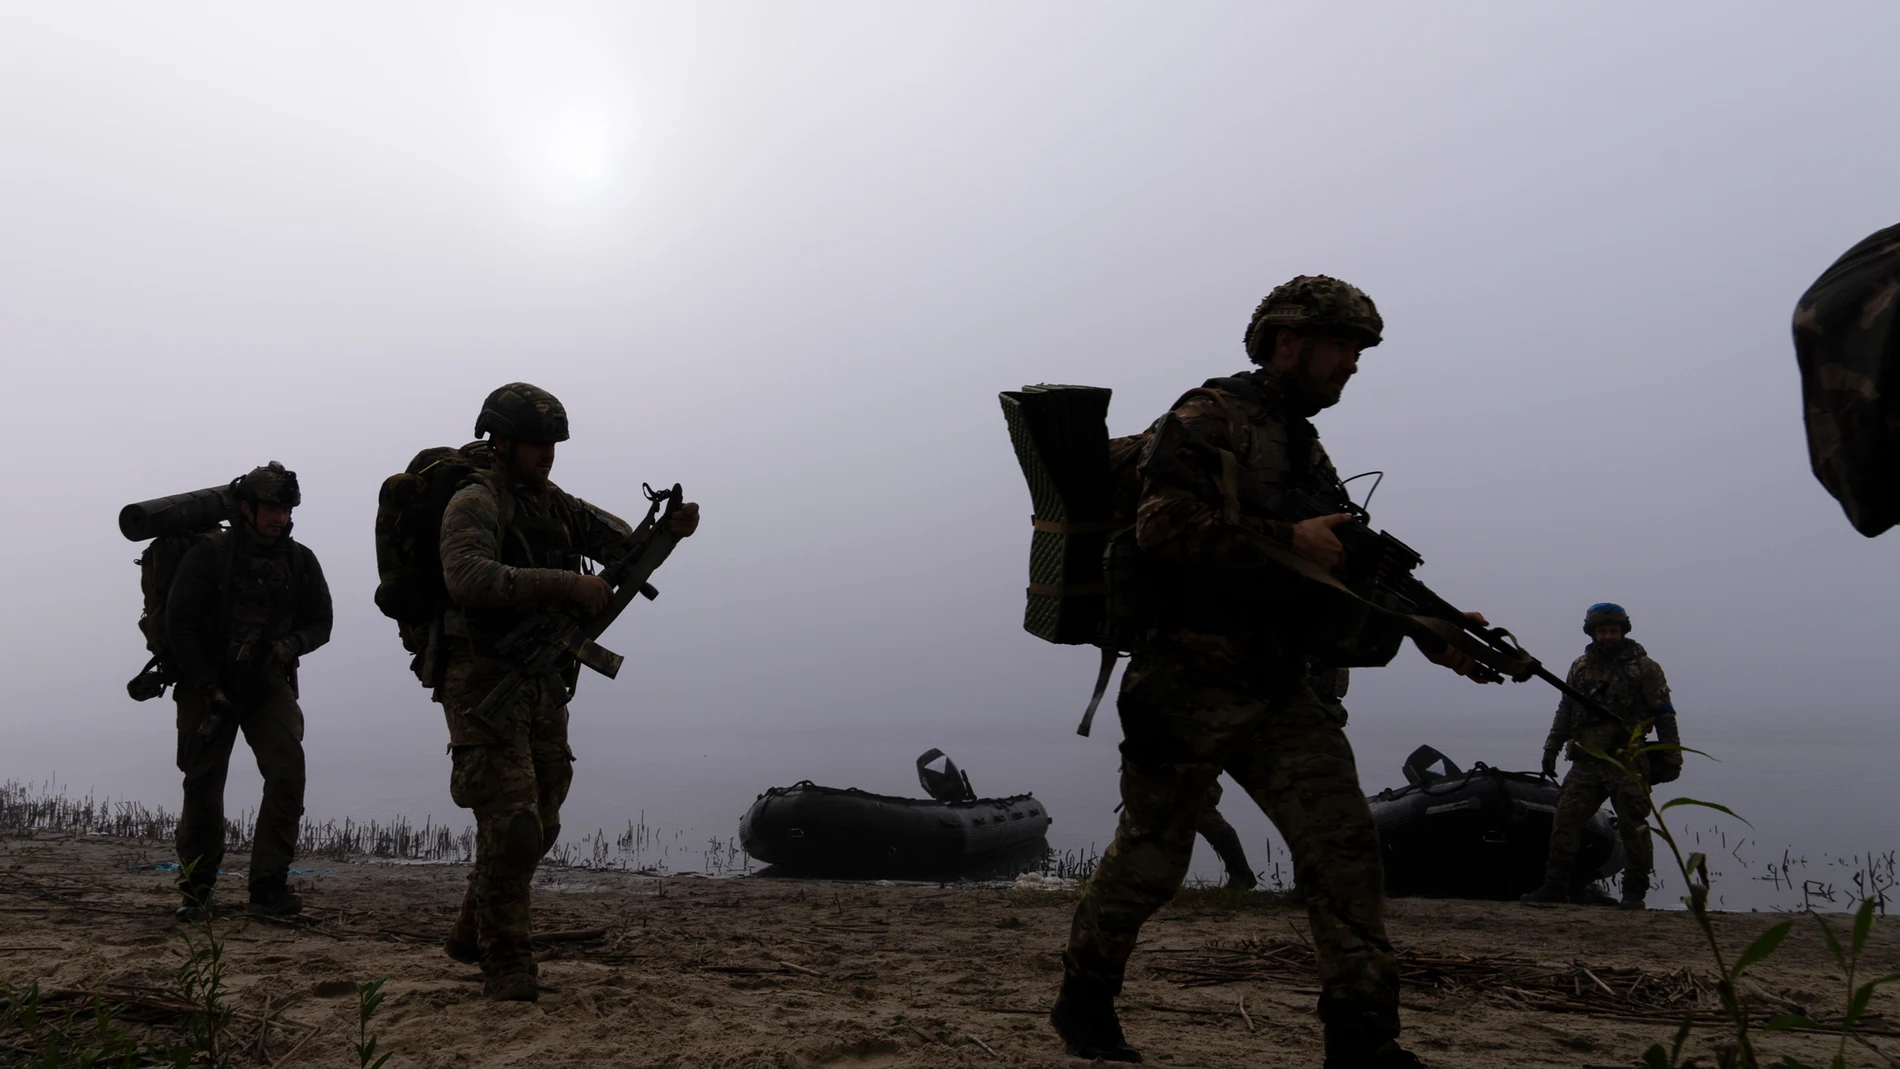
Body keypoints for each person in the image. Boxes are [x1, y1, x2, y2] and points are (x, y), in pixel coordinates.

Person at [1052, 276, 1493, 1067]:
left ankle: (1363, 1042)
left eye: (1359, 352)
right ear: (1289, 341)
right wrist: (1288, 537)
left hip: (1281, 684)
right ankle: (1084, 996)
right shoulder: (1207, 414)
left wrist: (1432, 628)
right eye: (1343, 347)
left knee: (1345, 850)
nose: (1352, 365)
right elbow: (1163, 529)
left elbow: (1341, 565)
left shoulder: (1306, 446)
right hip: (1186, 681)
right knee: (1151, 861)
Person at [436, 383, 699, 1002]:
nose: (547, 454)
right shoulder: (473, 500)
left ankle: (472, 929)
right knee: (514, 821)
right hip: (483, 677)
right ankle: (506, 961)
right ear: (500, 440)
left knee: (546, 809)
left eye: (553, 443)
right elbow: (465, 575)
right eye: (536, 442)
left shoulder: (550, 503)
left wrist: (670, 534)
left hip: (543, 675)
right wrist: (563, 585)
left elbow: (617, 547)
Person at [166, 461, 331, 921]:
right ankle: (196, 891)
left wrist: (289, 646)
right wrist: (206, 684)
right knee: (202, 785)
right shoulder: (209, 554)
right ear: (246, 507)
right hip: (207, 684)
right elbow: (178, 625)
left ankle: (269, 888)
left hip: (266, 683)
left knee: (286, 773)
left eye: (286, 508)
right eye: (271, 507)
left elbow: (322, 623)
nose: (280, 516)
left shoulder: (300, 560)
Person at [1522, 603, 1680, 910]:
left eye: (1613, 631)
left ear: (1623, 632)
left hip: (1628, 760)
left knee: (1634, 827)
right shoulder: (1580, 667)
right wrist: (1551, 748)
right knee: (1565, 819)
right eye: (1602, 631)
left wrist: (1671, 758)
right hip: (1586, 760)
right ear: (1593, 633)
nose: (1608, 636)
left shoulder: (1645, 668)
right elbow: (1565, 710)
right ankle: (1555, 887)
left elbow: (1664, 715)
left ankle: (1634, 894)